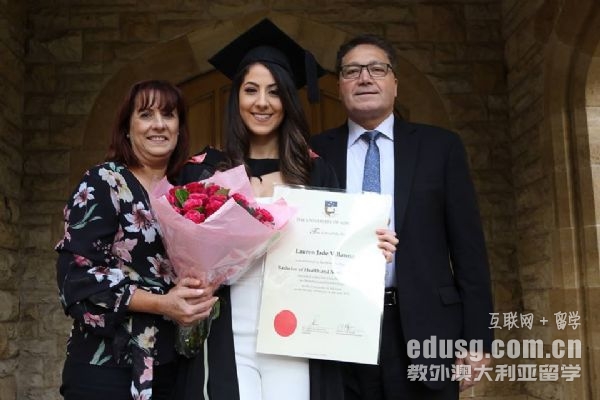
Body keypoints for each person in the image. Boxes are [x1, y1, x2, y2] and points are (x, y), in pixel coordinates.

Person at [174, 19, 397, 400]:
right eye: (251, 90)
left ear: (288, 101)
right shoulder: (205, 172)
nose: (262, 102)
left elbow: (338, 258)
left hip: (295, 335)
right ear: (236, 98)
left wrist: (369, 251)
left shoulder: (315, 172)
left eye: (275, 92)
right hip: (226, 332)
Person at [310, 34, 495, 399]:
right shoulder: (314, 153)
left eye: (377, 69)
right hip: (338, 330)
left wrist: (477, 339)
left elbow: (469, 250)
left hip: (427, 327)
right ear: (340, 85)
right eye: (352, 71)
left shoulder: (440, 147)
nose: (365, 78)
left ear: (395, 82)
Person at [55, 80, 219, 400]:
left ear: (179, 128)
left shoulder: (187, 192)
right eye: (146, 115)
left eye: (168, 115)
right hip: (106, 368)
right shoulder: (103, 183)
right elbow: (76, 279)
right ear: (127, 129)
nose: (158, 124)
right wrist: (163, 304)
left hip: (172, 366)